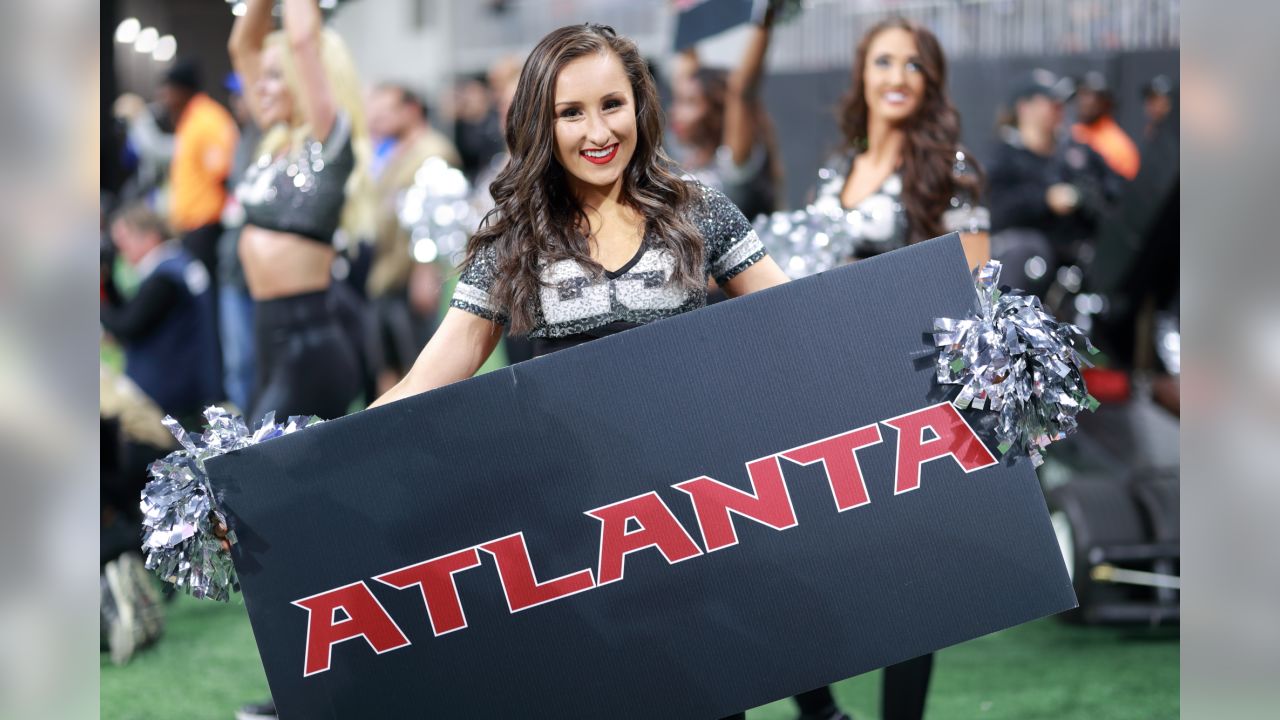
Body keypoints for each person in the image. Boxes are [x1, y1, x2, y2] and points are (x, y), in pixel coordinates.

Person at [756, 16, 994, 720]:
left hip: (904, 393)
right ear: (861, 74)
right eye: (883, 61)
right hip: (821, 388)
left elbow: (976, 291)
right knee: (797, 560)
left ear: (932, 82)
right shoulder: (836, 170)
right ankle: (820, 710)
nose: (896, 77)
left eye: (913, 65)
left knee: (910, 577)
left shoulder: (951, 170)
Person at [228, 0, 376, 424]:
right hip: (266, 339)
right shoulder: (276, 144)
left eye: (276, 76)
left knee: (257, 477)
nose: (261, 86)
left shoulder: (330, 146)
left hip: (310, 347)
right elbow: (243, 44)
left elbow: (303, 40)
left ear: (303, 79)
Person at [365, 82, 461, 395]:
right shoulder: (393, 152)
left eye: (387, 110)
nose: (378, 118)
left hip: (412, 278)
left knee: (419, 370)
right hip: (386, 275)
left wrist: (426, 268)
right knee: (388, 366)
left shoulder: (433, 150)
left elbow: (442, 218)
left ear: (413, 109)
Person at [987, 69, 1119, 292]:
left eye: (1061, 103)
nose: (1060, 109)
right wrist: (1045, 199)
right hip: (1032, 266)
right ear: (1024, 108)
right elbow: (996, 211)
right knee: (1028, 250)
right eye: (1051, 102)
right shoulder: (1005, 158)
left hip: (1081, 260)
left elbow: (1115, 188)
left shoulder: (1077, 153)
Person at [100, 203, 221, 427]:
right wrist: (106, 283)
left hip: (171, 393)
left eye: (124, 240)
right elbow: (134, 313)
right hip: (194, 380)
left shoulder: (164, 280)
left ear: (149, 236)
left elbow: (128, 326)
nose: (120, 249)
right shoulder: (178, 262)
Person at [670, 5, 783, 222]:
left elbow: (741, 91)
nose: (675, 112)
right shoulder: (687, 156)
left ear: (717, 113)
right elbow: (686, 62)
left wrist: (766, 14)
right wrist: (682, 9)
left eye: (690, 103)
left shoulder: (732, 165)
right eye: (678, 101)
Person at [158, 59, 239, 306]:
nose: (164, 97)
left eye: (168, 89)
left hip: (207, 227)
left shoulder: (207, 120)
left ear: (183, 89)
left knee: (207, 301)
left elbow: (224, 173)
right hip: (193, 227)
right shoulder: (190, 120)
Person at [1071, 71, 1140, 180]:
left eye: (1089, 95)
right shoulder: (1073, 133)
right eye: (1081, 93)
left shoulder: (1117, 145)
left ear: (1104, 102)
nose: (1082, 101)